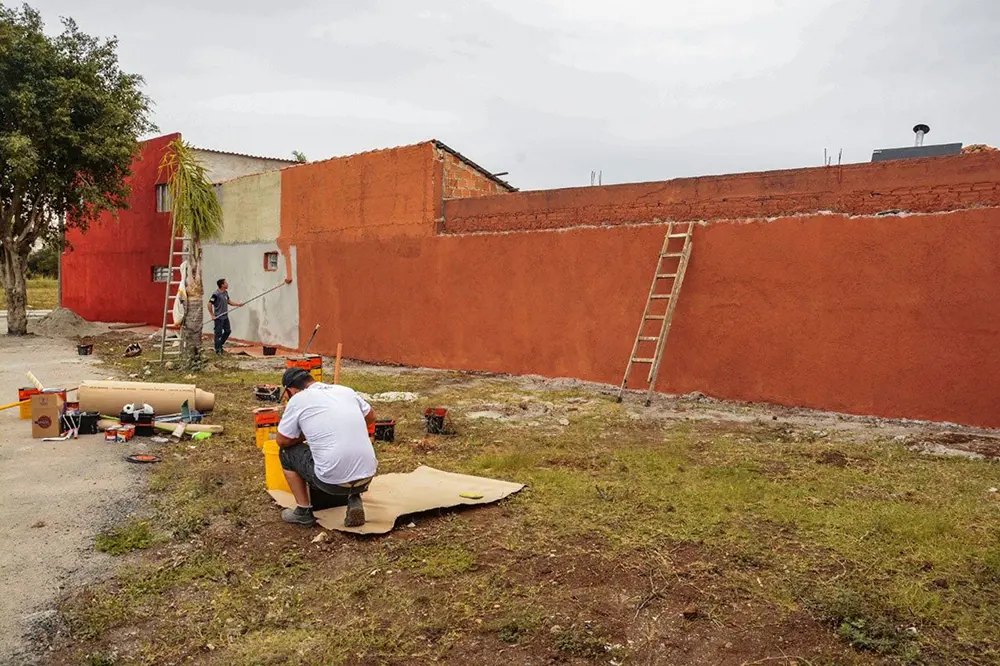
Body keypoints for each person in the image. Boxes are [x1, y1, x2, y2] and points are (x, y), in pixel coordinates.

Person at [275, 367, 378, 527]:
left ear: (290, 390)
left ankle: (303, 511)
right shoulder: (345, 391)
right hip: (367, 476)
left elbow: (282, 440)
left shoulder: (298, 399)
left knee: (286, 453)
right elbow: (371, 417)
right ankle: (354, 498)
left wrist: (307, 435)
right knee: (352, 447)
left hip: (330, 483)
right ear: (311, 380)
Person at [207, 278, 243, 355]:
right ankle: (218, 350)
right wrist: (212, 315)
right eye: (225, 283)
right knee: (218, 334)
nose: (227, 284)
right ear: (222, 285)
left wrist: (237, 304)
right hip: (218, 317)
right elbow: (209, 304)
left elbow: (228, 301)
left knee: (228, 331)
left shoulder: (225, 293)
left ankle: (220, 344)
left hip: (225, 316)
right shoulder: (216, 294)